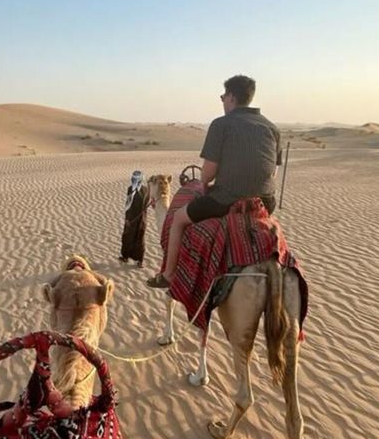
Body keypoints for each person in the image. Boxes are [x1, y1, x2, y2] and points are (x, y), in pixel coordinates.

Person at [147, 74, 281, 287]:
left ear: (231, 97)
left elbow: (207, 175)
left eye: (222, 97)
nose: (222, 102)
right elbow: (272, 172)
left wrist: (207, 183)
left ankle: (168, 275)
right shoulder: (272, 128)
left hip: (226, 200)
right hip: (266, 202)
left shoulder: (221, 124)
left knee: (179, 219)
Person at [119, 170, 149, 266]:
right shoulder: (130, 189)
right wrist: (127, 218)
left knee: (139, 239)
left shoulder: (145, 190)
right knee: (127, 237)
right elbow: (128, 205)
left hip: (141, 219)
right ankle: (125, 257)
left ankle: (140, 260)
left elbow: (146, 203)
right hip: (131, 218)